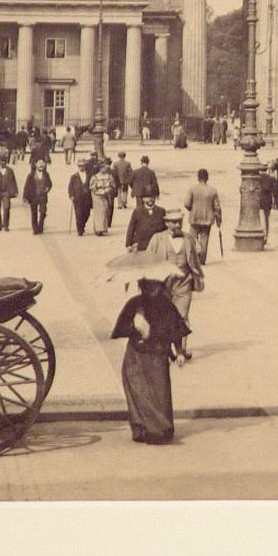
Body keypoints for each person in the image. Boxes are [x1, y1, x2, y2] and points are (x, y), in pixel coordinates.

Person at [110, 277, 190, 444]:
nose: (152, 291)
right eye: (148, 287)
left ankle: (160, 429)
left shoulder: (166, 306)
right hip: (136, 354)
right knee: (136, 389)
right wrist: (135, 325)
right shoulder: (135, 304)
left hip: (157, 354)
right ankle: (140, 427)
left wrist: (180, 352)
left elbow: (176, 329)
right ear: (142, 287)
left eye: (155, 287)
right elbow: (121, 328)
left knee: (160, 392)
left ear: (160, 287)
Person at [144, 211, 202, 362]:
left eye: (179, 221)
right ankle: (168, 348)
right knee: (165, 316)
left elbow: (195, 260)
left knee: (181, 316)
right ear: (166, 223)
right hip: (164, 284)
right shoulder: (157, 239)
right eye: (174, 221)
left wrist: (198, 277)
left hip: (184, 283)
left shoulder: (189, 238)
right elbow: (148, 259)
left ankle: (181, 350)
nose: (177, 225)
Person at [183, 168, 222, 264]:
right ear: (207, 178)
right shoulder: (213, 191)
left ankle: (193, 258)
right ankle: (202, 259)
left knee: (192, 238)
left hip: (194, 217)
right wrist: (218, 220)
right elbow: (217, 207)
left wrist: (192, 210)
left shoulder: (192, 189)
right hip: (207, 218)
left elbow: (186, 203)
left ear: (198, 178)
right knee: (204, 239)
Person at [22, 159, 53, 234]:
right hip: (33, 197)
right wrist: (25, 197)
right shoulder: (31, 175)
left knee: (43, 212)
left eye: (42, 164)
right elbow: (26, 186)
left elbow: (50, 183)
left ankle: (40, 226)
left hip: (43, 196)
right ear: (36, 165)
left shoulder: (46, 174)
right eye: (39, 164)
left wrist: (48, 188)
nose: (41, 165)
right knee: (34, 213)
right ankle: (35, 229)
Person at [89, 159, 117, 236]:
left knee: (105, 210)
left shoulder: (109, 176)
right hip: (97, 196)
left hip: (106, 195)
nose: (104, 169)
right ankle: (98, 229)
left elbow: (113, 185)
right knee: (99, 212)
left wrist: (108, 190)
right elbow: (91, 187)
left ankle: (103, 227)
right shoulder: (95, 177)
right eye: (103, 167)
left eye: (105, 167)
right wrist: (98, 190)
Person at [68, 159, 94, 235]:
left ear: (85, 166)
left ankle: (82, 224)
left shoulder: (89, 175)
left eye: (83, 166)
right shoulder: (74, 176)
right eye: (80, 166)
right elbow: (70, 187)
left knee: (87, 213)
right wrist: (71, 195)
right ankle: (79, 230)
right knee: (78, 214)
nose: (81, 167)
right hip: (77, 198)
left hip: (87, 197)